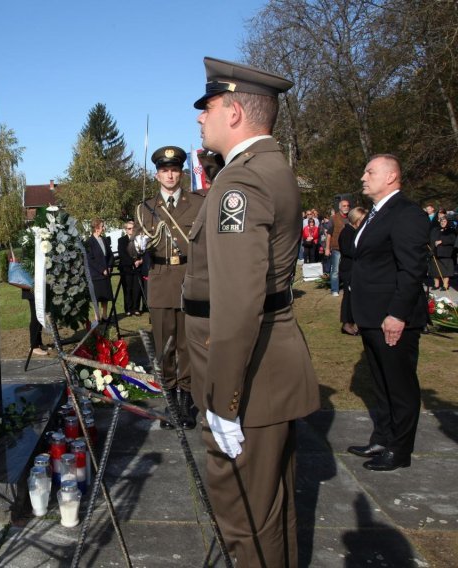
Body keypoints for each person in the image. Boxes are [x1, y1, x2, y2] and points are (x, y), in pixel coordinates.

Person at [182, 57, 320, 566]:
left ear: (235, 112)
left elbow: (237, 305)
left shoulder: (240, 184)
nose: (201, 117)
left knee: (244, 519)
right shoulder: (268, 168)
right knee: (270, 512)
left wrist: (222, 400)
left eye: (209, 106)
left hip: (247, 380)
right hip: (266, 369)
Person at [347, 154, 429, 472]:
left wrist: (397, 314)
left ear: (391, 176)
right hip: (371, 315)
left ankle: (399, 449)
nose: (363, 177)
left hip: (392, 317)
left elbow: (412, 269)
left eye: (370, 172)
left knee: (400, 385)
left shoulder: (405, 213)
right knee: (380, 382)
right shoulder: (376, 214)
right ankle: (383, 436)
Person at [131, 146, 204, 430]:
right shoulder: (145, 208)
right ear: (157, 174)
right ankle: (170, 400)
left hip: (189, 278)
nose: (170, 175)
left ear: (181, 173)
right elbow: (133, 246)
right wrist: (135, 246)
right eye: (164, 170)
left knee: (186, 344)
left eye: (174, 170)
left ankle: (186, 402)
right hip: (160, 278)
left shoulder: (197, 203)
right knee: (164, 345)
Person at [338, 206, 367, 336]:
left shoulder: (354, 231)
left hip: (355, 268)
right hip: (348, 268)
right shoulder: (347, 232)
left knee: (355, 297)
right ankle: (346, 323)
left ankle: (355, 322)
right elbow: (347, 250)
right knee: (348, 297)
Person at [85, 218, 114, 320]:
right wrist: (102, 270)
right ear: (97, 228)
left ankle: (104, 316)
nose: (104, 228)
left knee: (105, 297)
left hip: (106, 274)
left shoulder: (105, 240)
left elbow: (110, 255)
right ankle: (97, 317)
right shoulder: (89, 242)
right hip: (96, 275)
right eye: (102, 226)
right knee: (96, 298)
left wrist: (110, 267)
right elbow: (90, 260)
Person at [117, 221, 144, 316]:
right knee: (127, 289)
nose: (131, 230)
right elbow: (122, 254)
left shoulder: (139, 239)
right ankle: (128, 309)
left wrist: (140, 261)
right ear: (126, 230)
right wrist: (132, 262)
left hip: (138, 268)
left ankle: (136, 308)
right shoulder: (121, 240)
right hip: (126, 268)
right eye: (129, 228)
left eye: (133, 228)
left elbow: (142, 252)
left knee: (137, 288)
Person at [326, 199, 351, 297]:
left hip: (348, 248)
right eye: (344, 206)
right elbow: (329, 235)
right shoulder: (333, 218)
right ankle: (334, 290)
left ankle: (347, 288)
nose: (346, 207)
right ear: (340, 207)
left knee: (348, 269)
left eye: (347, 205)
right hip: (336, 247)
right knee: (335, 270)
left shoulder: (351, 217)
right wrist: (327, 248)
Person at [432, 216, 456, 291]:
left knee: (445, 271)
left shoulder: (451, 230)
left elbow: (452, 239)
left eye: (444, 221)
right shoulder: (436, 230)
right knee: (435, 270)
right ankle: (436, 285)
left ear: (448, 222)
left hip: (446, 253)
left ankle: (445, 285)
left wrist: (442, 241)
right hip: (435, 252)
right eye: (441, 221)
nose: (442, 223)